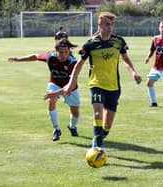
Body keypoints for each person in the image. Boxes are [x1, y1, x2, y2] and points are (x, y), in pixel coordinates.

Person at [44, 12, 142, 149]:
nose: (110, 27)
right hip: (96, 84)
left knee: (107, 126)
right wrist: (71, 83)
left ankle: (100, 137)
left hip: (114, 87)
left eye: (111, 24)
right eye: (107, 24)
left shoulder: (119, 41)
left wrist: (134, 73)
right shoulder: (90, 44)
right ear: (99, 25)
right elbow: (78, 64)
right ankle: (98, 147)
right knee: (97, 113)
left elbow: (125, 59)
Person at [8, 39, 80, 141]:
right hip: (54, 83)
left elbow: (71, 84)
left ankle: (72, 126)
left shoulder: (72, 63)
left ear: (69, 51)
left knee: (75, 111)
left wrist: (55, 93)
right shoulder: (50, 57)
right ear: (56, 51)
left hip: (70, 86)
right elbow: (35, 56)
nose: (63, 55)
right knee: (51, 100)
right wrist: (17, 59)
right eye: (61, 52)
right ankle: (56, 129)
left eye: (66, 52)